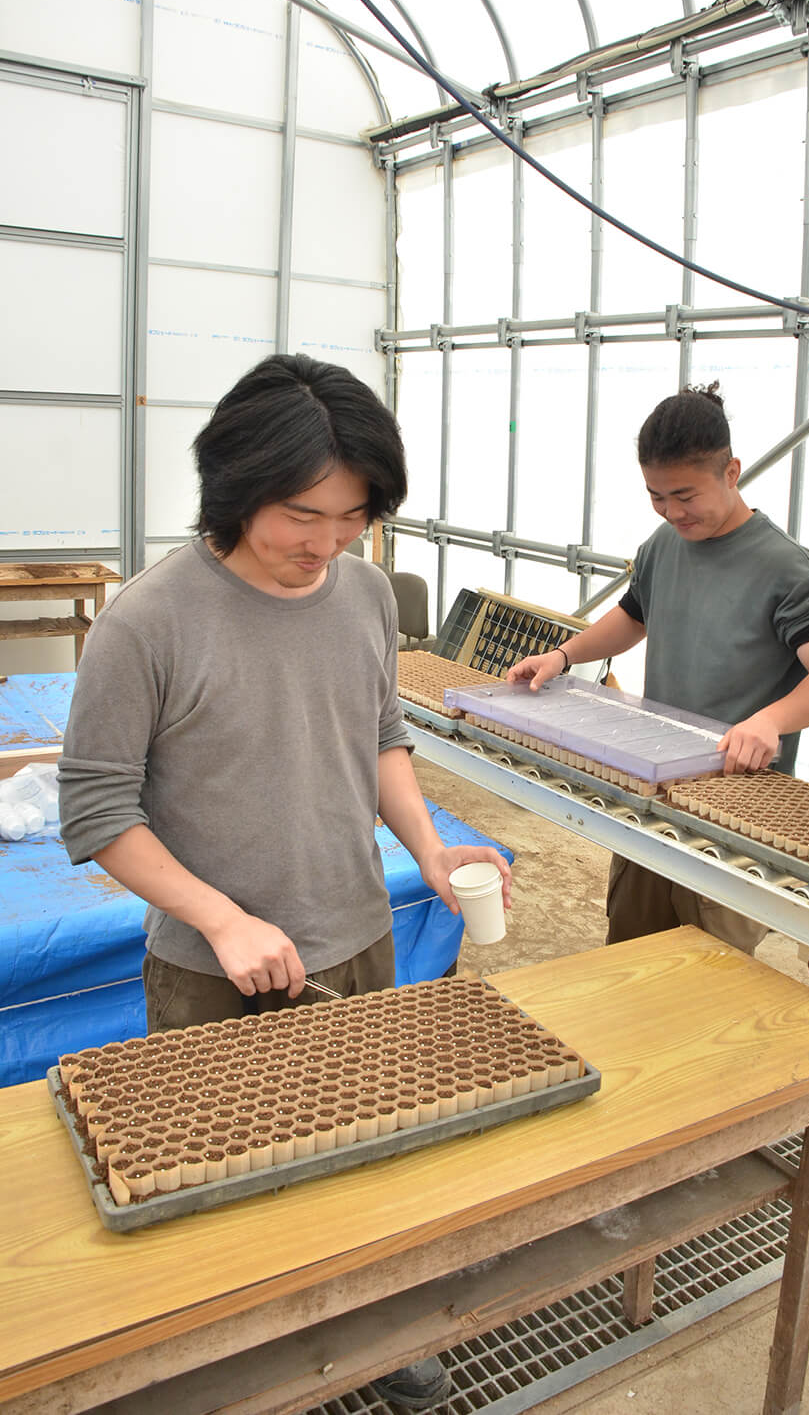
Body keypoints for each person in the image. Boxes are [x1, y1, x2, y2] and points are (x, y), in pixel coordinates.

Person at [59, 352, 511, 1412]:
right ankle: (243, 1359)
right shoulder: (147, 620)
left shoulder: (358, 593)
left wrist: (426, 849)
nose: (327, 541)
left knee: (366, 1147)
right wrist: (219, 919)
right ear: (234, 483)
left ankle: (376, 1326)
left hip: (357, 933)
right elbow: (97, 813)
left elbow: (381, 736)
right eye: (303, 514)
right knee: (234, 1184)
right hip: (215, 970)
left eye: (354, 515)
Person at [507, 381, 809, 956]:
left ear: (731, 471)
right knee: (633, 949)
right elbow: (633, 616)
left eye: (685, 495)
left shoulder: (786, 568)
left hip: (737, 806)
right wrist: (564, 655)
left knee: (714, 965)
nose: (672, 511)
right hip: (653, 787)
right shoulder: (663, 545)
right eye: (656, 496)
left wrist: (770, 721)